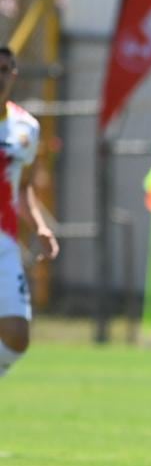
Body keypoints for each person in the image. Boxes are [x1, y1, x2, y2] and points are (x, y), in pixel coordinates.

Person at [0, 46, 59, 379]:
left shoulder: (26, 128)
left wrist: (39, 226)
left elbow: (23, 189)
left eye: (5, 69)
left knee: (17, 337)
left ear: (14, 75)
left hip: (5, 245)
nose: (0, 77)